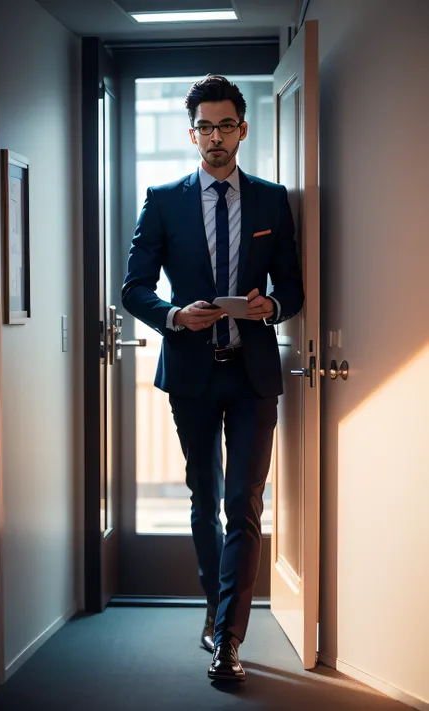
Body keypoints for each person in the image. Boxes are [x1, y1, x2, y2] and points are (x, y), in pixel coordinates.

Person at [122, 75, 304, 682]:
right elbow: (134, 290)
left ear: (242, 130)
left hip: (253, 377)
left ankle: (229, 638)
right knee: (204, 501)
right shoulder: (163, 199)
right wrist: (174, 316)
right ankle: (213, 606)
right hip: (193, 374)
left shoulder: (272, 201)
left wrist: (270, 308)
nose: (216, 136)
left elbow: (294, 291)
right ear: (192, 132)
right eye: (206, 125)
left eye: (227, 124)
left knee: (244, 505)